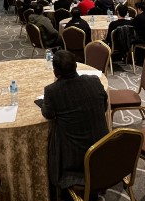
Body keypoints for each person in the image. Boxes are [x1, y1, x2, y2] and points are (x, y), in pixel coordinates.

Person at [41, 50, 109, 189]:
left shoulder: (52, 91)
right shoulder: (94, 81)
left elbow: (48, 114)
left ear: (55, 72)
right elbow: (104, 107)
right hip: (102, 146)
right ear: (76, 66)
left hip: (75, 158)